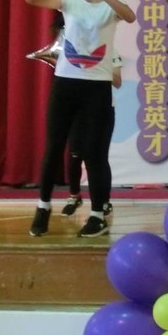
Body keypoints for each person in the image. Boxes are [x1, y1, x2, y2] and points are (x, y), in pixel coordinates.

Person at [24, 0, 135, 238]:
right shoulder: (68, 2)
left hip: (97, 87)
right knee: (54, 147)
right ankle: (43, 207)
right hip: (65, 84)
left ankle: (97, 215)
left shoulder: (109, 6)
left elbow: (130, 16)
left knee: (95, 153)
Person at [61, 55, 122, 218]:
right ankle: (74, 196)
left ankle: (104, 201)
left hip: (102, 108)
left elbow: (118, 82)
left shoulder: (111, 52)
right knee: (74, 154)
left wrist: (98, 67)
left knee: (99, 157)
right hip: (77, 109)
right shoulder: (75, 49)